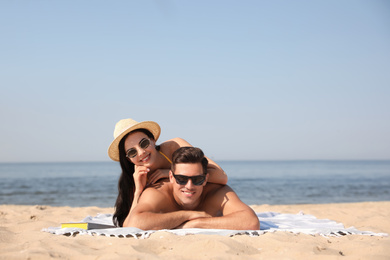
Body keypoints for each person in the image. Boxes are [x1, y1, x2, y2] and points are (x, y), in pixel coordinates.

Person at [108, 118, 228, 227]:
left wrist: (171, 173)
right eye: (132, 152)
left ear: (153, 140)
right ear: (128, 159)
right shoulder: (135, 178)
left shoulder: (174, 147)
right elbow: (129, 225)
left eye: (144, 144)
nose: (141, 153)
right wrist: (138, 190)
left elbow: (221, 177)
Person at [126, 147, 260, 230]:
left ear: (206, 179)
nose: (189, 186)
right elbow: (135, 222)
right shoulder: (158, 192)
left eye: (197, 180)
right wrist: (189, 215)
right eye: (181, 179)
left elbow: (251, 222)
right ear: (171, 177)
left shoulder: (218, 193)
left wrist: (194, 224)